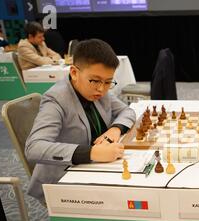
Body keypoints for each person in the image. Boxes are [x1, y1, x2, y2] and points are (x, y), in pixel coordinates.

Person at [25, 39, 136, 202]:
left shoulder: (101, 91)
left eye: (108, 82)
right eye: (95, 80)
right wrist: (91, 152)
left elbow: (127, 111)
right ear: (74, 73)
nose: (101, 89)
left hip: (95, 168)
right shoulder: (56, 99)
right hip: (63, 179)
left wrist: (115, 129)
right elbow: (33, 148)